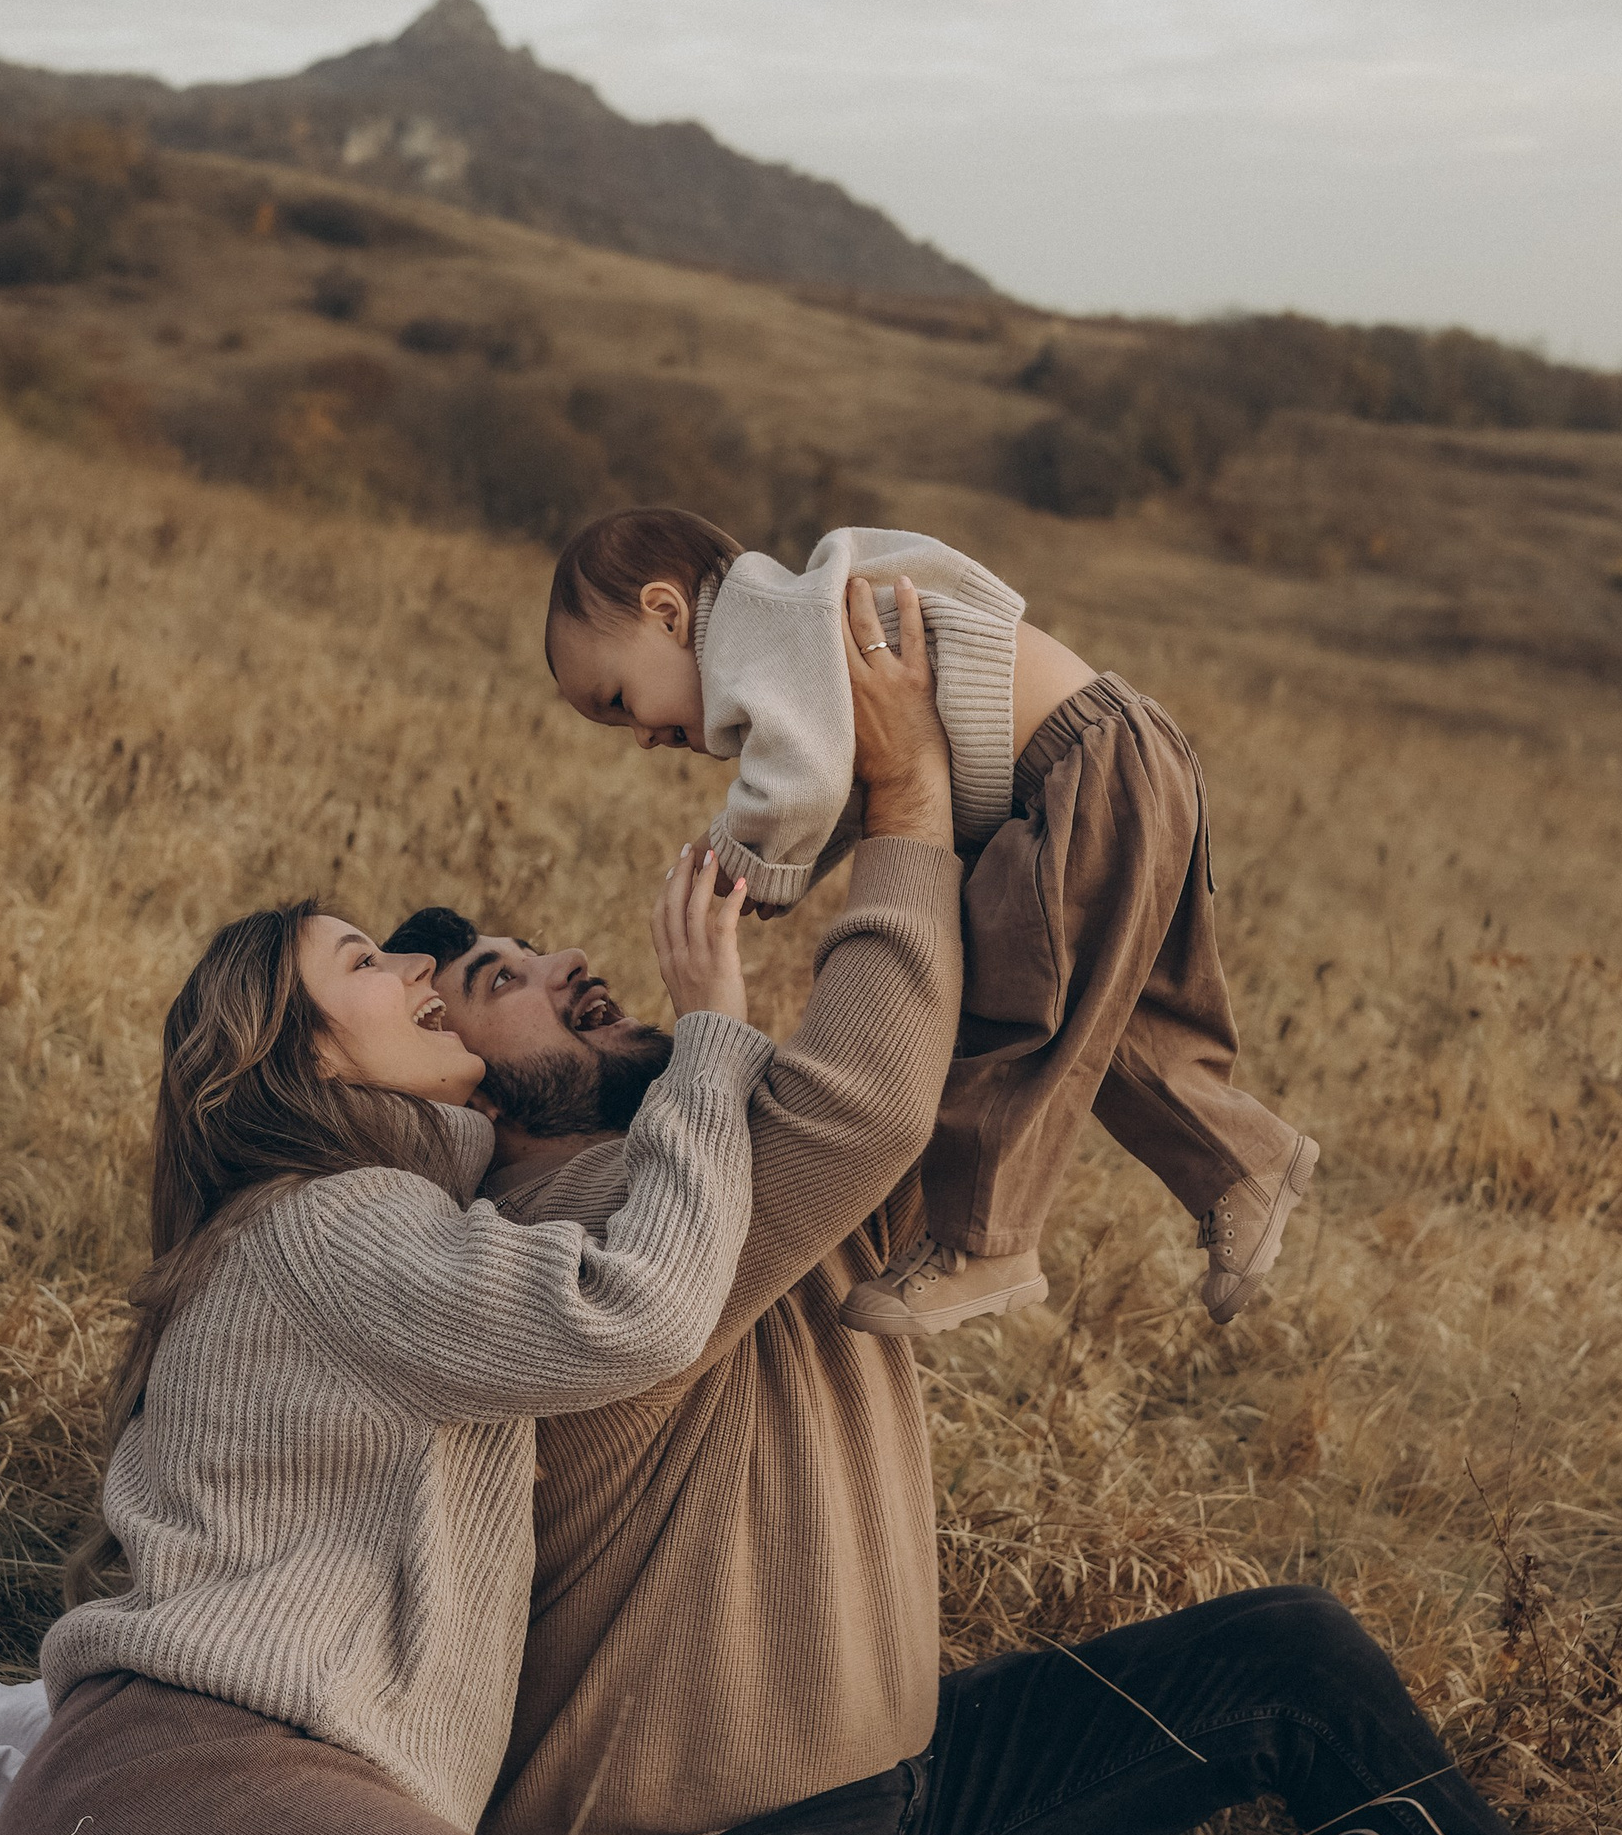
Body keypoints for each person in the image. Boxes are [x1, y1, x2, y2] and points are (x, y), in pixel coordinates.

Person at [389, 577, 1622, 1835]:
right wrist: (900, 789)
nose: (565, 961)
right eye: (498, 983)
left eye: (533, 946)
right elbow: (869, 1105)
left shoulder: (708, 1139)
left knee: (1288, 1653)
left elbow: (937, 1042)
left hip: (894, 1776)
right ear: (457, 1088)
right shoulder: (564, 1234)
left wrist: (1039, 781)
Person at [0, 846, 771, 1835]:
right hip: (196, 1771)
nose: (421, 973)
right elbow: (636, 1308)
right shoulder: (344, 1220)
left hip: (172, 1797)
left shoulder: (338, 1225)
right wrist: (713, 1036)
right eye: (369, 966)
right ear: (301, 1056)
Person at [540, 507, 1318, 1340]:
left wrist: (736, 858)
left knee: (1004, 1003)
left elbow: (801, 782)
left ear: (667, 612)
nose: (644, 737)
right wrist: (788, 875)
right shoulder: (791, 633)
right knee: (1114, 1016)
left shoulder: (755, 628)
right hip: (1115, 759)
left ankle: (985, 1241)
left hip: (1076, 773)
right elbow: (849, 774)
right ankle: (1243, 1164)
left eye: (620, 700)